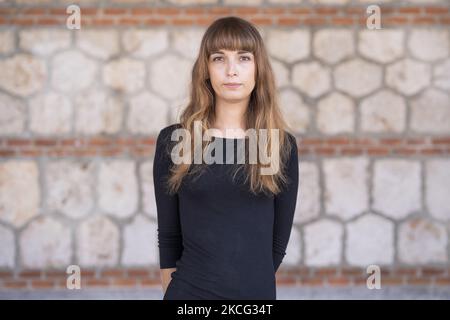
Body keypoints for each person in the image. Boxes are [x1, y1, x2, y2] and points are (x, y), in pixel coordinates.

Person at [153, 16, 299, 300]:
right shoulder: (175, 141)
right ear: (206, 70)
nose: (231, 70)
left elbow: (277, 244)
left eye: (244, 58)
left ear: (258, 70)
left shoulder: (280, 146)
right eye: (219, 58)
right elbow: (169, 239)